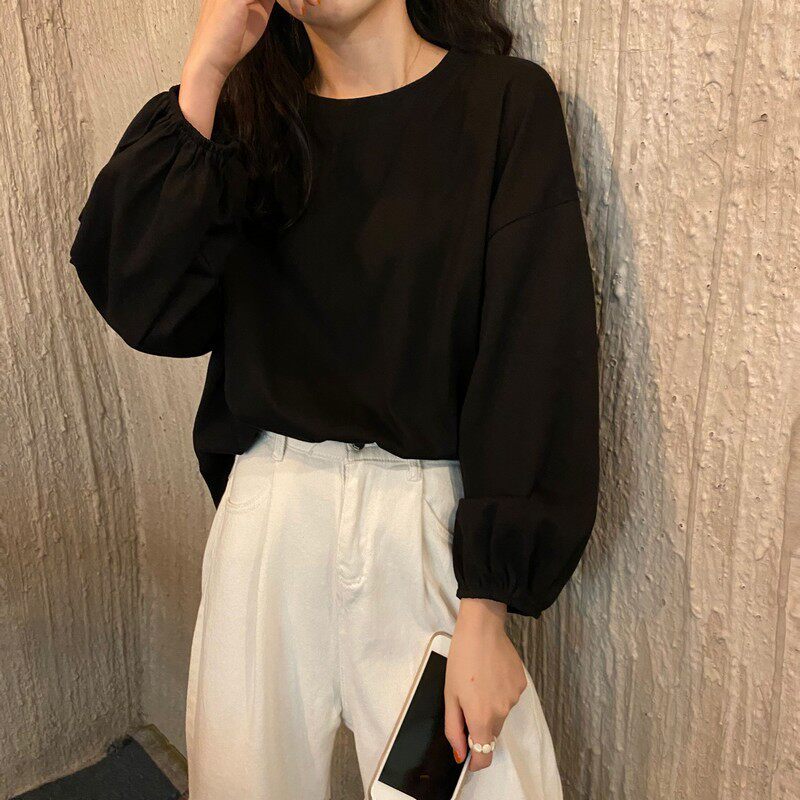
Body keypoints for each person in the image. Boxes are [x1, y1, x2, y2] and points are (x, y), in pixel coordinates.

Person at [69, 0, 599, 796]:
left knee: (484, 780)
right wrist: (205, 73)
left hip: (428, 527)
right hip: (270, 519)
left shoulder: (502, 104)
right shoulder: (250, 125)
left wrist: (488, 606)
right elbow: (141, 296)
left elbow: (535, 353)